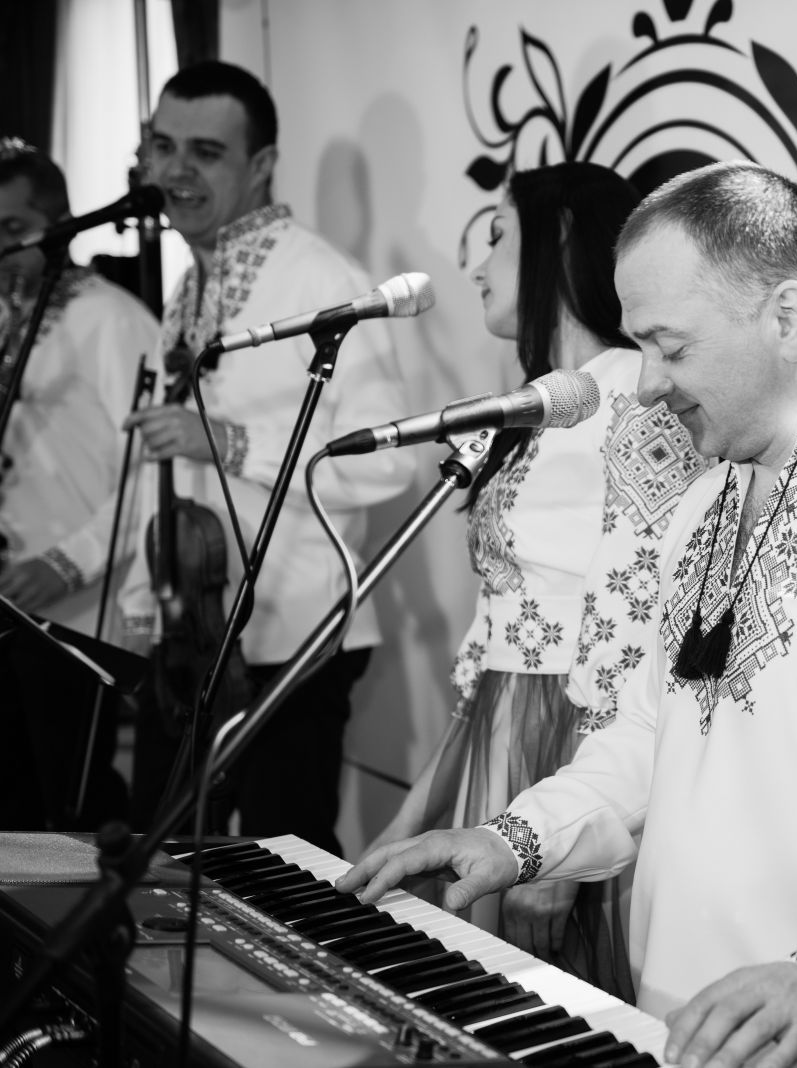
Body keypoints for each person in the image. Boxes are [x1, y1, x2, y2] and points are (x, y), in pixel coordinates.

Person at [341, 161, 797, 1068]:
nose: (647, 383)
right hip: (671, 1023)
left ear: (788, 319)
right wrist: (516, 839)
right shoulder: (704, 505)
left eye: (672, 347)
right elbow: (646, 738)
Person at [361, 162, 705, 999]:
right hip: (500, 723)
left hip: (573, 734)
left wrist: (561, 842)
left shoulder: (635, 394)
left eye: (498, 236)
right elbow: (497, 622)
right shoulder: (537, 404)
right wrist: (421, 803)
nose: (476, 265)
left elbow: (641, 613)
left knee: (546, 1000)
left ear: (558, 236)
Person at [118, 62, 414, 856]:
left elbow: (391, 462)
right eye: (162, 146)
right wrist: (144, 596)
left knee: (282, 866)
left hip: (296, 639)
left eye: (206, 152)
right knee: (161, 857)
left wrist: (231, 443)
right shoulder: (188, 287)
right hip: (194, 634)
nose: (176, 170)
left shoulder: (323, 279)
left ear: (261, 165)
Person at [0, 138, 162, 829]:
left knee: (74, 809)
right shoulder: (9, 315)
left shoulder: (114, 321)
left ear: (60, 223)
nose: (1, 248)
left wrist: (66, 562)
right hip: (13, 598)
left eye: (13, 228)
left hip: (83, 606)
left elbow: (155, 472)